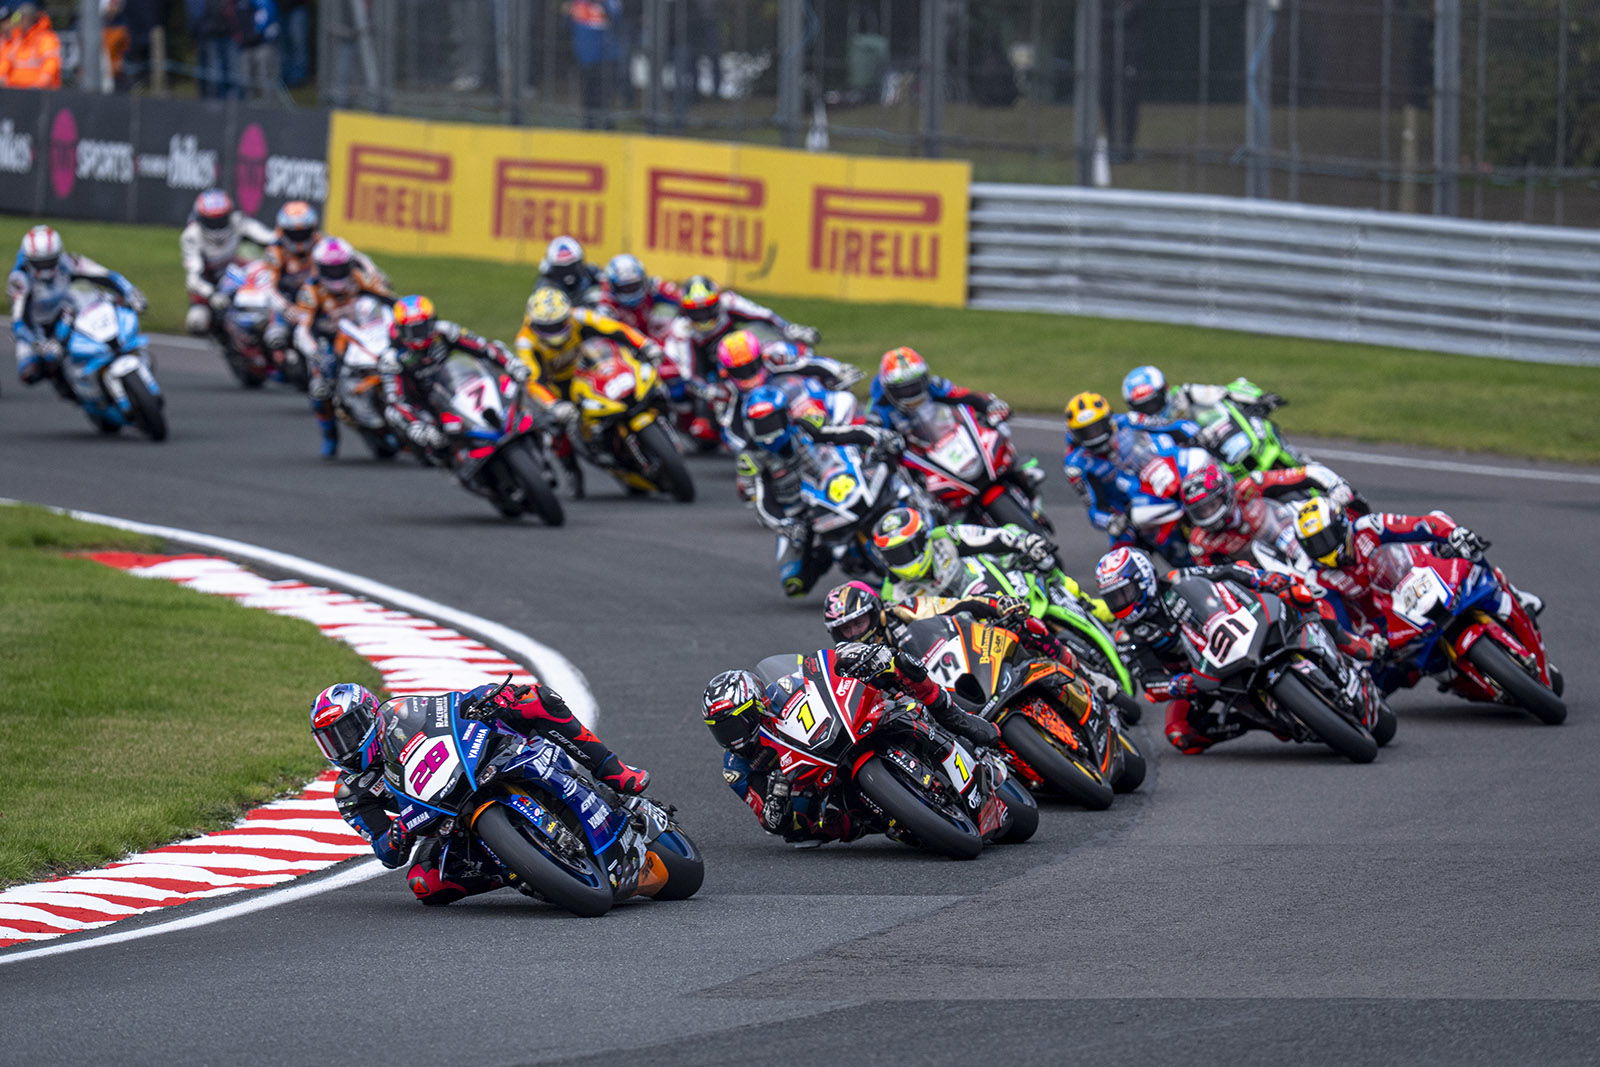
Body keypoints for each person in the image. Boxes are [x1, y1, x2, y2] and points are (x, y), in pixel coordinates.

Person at [310, 679, 649, 906]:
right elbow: (385, 851)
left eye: (348, 731)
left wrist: (492, 695)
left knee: (534, 699)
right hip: (441, 820)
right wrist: (395, 835)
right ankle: (518, 866)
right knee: (424, 884)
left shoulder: (400, 714)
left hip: (481, 762)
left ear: (370, 715)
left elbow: (450, 706)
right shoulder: (350, 793)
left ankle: (614, 770)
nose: (343, 745)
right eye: (331, 739)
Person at [702, 645, 998, 844]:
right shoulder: (736, 767)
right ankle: (880, 818)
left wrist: (857, 658)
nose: (730, 737)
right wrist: (777, 797)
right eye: (720, 731)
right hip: (812, 784)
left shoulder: (781, 690)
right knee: (800, 832)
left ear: (755, 705)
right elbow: (769, 820)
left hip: (842, 730)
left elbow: (818, 673)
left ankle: (956, 718)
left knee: (899, 666)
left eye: (732, 725)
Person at [1094, 546, 1322, 753]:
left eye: (1124, 594)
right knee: (1179, 734)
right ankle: (1261, 721)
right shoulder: (1127, 635)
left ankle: (1342, 644)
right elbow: (1149, 680)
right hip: (1202, 679)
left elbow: (1228, 571)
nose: (1119, 604)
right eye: (1112, 599)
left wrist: (1262, 578)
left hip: (1238, 631)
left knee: (1300, 597)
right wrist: (1178, 684)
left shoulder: (1177, 579)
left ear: (1144, 581)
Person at [738, 383, 900, 596]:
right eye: (761, 427)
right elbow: (762, 503)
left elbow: (842, 433)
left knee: (888, 469)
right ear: (749, 427)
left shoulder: (806, 426)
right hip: (798, 510)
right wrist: (785, 524)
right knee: (795, 583)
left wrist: (875, 436)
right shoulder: (750, 458)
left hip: (829, 483)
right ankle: (827, 553)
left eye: (772, 422)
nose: (769, 433)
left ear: (786, 416)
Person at [379, 293, 530, 456]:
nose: (419, 335)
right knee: (431, 441)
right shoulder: (392, 358)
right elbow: (395, 401)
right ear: (400, 330)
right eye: (412, 330)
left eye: (423, 327)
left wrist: (511, 363)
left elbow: (484, 347)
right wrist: (416, 425)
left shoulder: (445, 331)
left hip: (456, 387)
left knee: (511, 391)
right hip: (425, 406)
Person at [291, 236, 394, 457]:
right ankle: (330, 436)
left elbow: (387, 298)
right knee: (319, 389)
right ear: (319, 268)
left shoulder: (360, 277)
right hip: (328, 341)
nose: (337, 275)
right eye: (330, 269)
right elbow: (302, 330)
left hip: (364, 332)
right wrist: (315, 352)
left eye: (340, 268)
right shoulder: (310, 291)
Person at [823, 579, 1070, 669]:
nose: (855, 632)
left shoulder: (904, 609)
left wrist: (997, 604)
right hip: (927, 701)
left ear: (875, 611)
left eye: (859, 622)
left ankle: (1075, 666)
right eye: (846, 629)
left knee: (1022, 624)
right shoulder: (849, 661)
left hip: (964, 660)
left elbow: (958, 604)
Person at [8, 225, 145, 386]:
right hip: (36, 326)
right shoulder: (19, 279)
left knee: (111, 305)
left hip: (66, 313)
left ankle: (129, 351)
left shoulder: (69, 261)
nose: (45, 268)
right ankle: (65, 383)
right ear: (29, 260)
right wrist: (39, 344)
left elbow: (106, 275)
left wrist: (131, 292)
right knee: (29, 374)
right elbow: (18, 323)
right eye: (40, 263)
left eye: (49, 261)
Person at [514, 284, 661, 422]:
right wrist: (553, 404)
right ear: (533, 322)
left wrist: (645, 344)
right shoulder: (525, 342)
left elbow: (615, 328)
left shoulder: (578, 316)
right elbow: (533, 381)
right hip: (559, 386)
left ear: (567, 315)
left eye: (558, 324)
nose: (554, 331)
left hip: (591, 369)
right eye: (547, 327)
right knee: (560, 430)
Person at [1181, 460, 1355, 565]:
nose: (1208, 513)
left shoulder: (1250, 486)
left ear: (1225, 493)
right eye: (1200, 510)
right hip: (1266, 577)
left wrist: (1336, 485)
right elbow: (1216, 582)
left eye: (1212, 505)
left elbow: (1306, 472)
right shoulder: (1200, 543)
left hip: (1296, 535)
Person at [871, 505, 1059, 602]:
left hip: (996, 589)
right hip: (968, 633)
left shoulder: (943, 536)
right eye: (894, 555)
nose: (903, 559)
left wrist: (1024, 543)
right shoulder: (892, 593)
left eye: (906, 550)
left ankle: (1078, 598)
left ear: (922, 539)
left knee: (1040, 560)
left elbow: (990, 535)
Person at [665, 275, 820, 384]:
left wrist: (789, 329)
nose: (703, 316)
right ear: (685, 310)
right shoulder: (681, 330)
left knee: (778, 353)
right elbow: (688, 372)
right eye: (696, 312)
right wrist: (705, 390)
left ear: (717, 302)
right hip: (705, 370)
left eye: (707, 309)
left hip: (737, 356)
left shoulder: (730, 302)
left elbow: (765, 315)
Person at [180, 188, 276, 336]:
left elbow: (268, 238)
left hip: (237, 277)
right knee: (197, 322)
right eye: (211, 221)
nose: (217, 225)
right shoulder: (191, 236)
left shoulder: (239, 222)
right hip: (210, 285)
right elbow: (193, 278)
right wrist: (212, 295)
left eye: (220, 220)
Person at [868, 346, 1010, 435]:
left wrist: (991, 405)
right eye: (903, 389)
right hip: (913, 462)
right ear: (888, 389)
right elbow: (869, 437)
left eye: (915, 385)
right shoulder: (880, 407)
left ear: (925, 379)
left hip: (946, 441)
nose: (911, 392)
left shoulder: (934, 385)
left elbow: (966, 396)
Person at [1122, 365, 1286, 425]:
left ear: (1164, 390)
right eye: (1143, 407)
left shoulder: (1184, 395)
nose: (1150, 410)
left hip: (1220, 439)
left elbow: (1223, 392)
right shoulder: (1138, 426)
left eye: (1153, 403)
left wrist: (1258, 399)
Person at [595, 252, 680, 340]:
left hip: (653, 343)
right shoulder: (605, 301)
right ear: (612, 286)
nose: (630, 291)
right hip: (621, 344)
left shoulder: (653, 287)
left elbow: (680, 298)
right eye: (624, 288)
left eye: (634, 285)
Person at [0, 4, 60, 89]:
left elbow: (51, 63)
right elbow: (7, 61)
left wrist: (41, 83)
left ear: (29, 19)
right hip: (15, 90)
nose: (18, 22)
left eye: (20, 19)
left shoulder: (45, 38)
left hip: (39, 92)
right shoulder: (17, 39)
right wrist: (2, 77)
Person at [534, 235, 604, 307]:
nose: (567, 271)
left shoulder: (592, 273)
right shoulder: (545, 285)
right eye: (561, 268)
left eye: (572, 265)